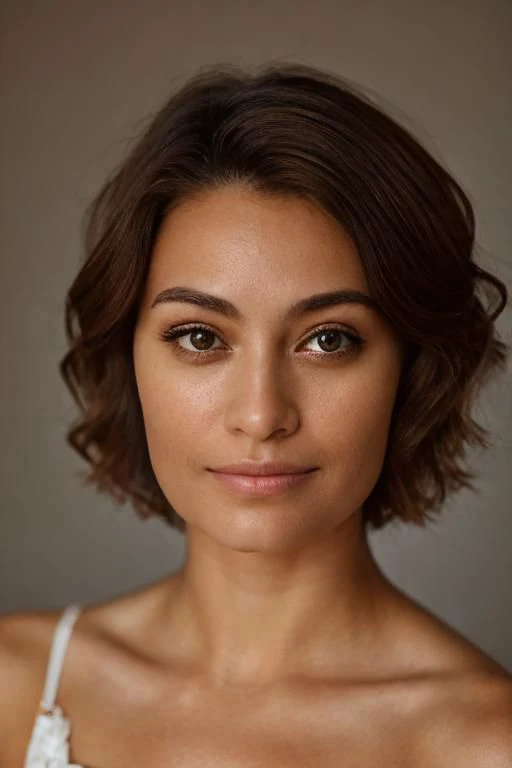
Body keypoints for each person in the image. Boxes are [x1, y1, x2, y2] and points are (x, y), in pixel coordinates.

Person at [1, 61, 511, 767]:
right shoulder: (13, 689)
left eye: (329, 340)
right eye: (201, 337)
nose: (261, 414)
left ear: (412, 368)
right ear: (130, 357)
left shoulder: (488, 744)